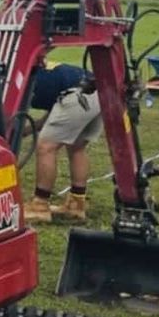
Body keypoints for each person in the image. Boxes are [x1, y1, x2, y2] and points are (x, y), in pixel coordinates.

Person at [28, 61, 102, 224]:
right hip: (96, 90)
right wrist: (29, 130)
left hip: (77, 94)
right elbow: (55, 107)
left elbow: (9, 117)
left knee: (46, 147)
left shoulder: (14, 81)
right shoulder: (39, 72)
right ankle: (76, 205)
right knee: (76, 148)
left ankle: (40, 205)